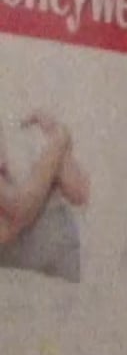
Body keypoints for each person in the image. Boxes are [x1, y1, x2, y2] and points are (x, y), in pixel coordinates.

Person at [0, 109, 89, 282]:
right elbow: (19, 210)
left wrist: (56, 145)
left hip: (59, 265)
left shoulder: (26, 141)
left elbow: (79, 192)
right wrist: (59, 141)